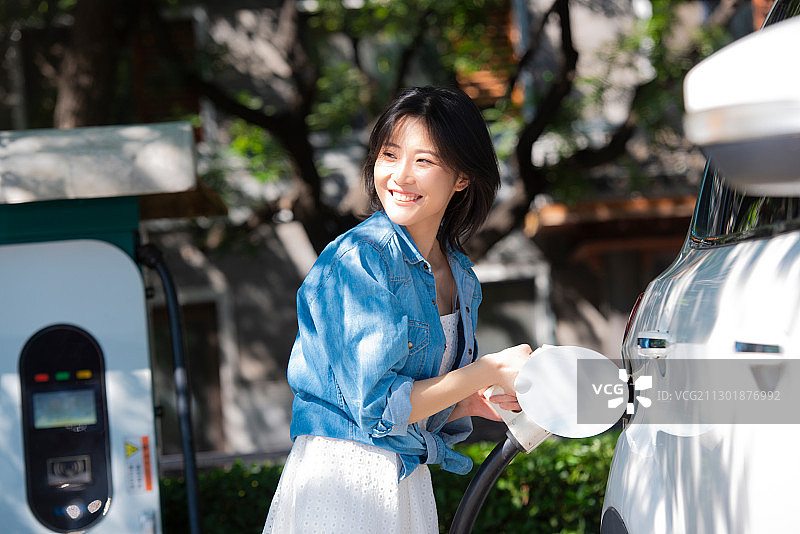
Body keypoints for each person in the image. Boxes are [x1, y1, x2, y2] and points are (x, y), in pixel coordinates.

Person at [263, 86, 533, 533]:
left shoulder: (460, 275)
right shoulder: (360, 259)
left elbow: (415, 403)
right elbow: (378, 409)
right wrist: (488, 369)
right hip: (342, 483)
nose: (399, 176)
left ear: (462, 177)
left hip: (405, 481)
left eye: (424, 161)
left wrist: (466, 403)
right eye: (390, 155)